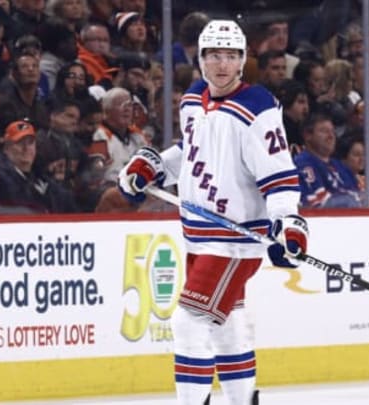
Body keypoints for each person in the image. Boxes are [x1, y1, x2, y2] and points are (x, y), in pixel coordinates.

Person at [117, 20, 306, 405]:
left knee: (189, 321)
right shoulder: (194, 97)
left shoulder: (258, 108)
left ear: (242, 61)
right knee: (226, 321)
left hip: (235, 241)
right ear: (201, 58)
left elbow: (279, 175)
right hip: (200, 234)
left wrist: (288, 224)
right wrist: (153, 167)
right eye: (215, 55)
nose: (223, 64)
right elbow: (191, 152)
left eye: (232, 55)